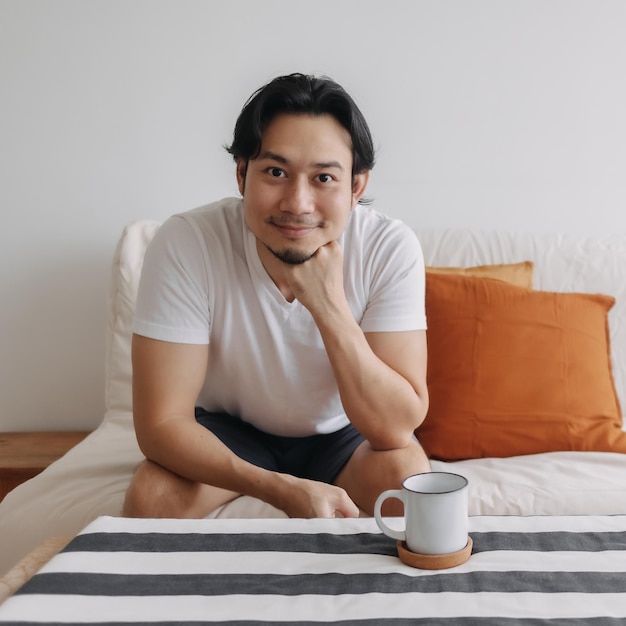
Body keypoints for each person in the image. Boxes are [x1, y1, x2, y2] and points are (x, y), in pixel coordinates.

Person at [123, 73, 430, 520]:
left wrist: (327, 304)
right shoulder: (187, 241)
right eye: (275, 172)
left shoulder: (389, 246)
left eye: (324, 177)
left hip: (345, 434)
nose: (297, 203)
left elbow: (396, 427)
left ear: (356, 187)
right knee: (152, 498)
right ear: (242, 173)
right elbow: (161, 424)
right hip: (230, 430)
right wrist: (279, 489)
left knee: (410, 483)